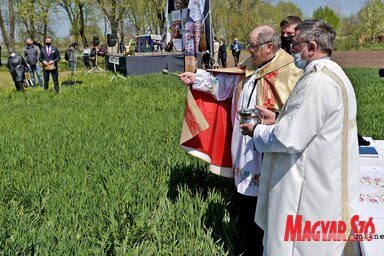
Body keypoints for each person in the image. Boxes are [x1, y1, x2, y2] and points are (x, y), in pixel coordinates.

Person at [179, 25, 302, 256]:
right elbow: (224, 87)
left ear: (269, 47)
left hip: (266, 151)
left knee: (261, 210)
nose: (248, 50)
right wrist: (196, 79)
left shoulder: (289, 72)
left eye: (252, 46)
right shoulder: (250, 68)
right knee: (242, 205)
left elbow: (298, 117)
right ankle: (244, 246)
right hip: (243, 147)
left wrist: (274, 119)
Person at [241, 20, 359, 256]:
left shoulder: (318, 81)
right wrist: (276, 117)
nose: (291, 50)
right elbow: (309, 123)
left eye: (295, 45)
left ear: (312, 47)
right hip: (321, 176)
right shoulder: (331, 74)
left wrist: (257, 132)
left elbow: (289, 138)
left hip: (308, 187)